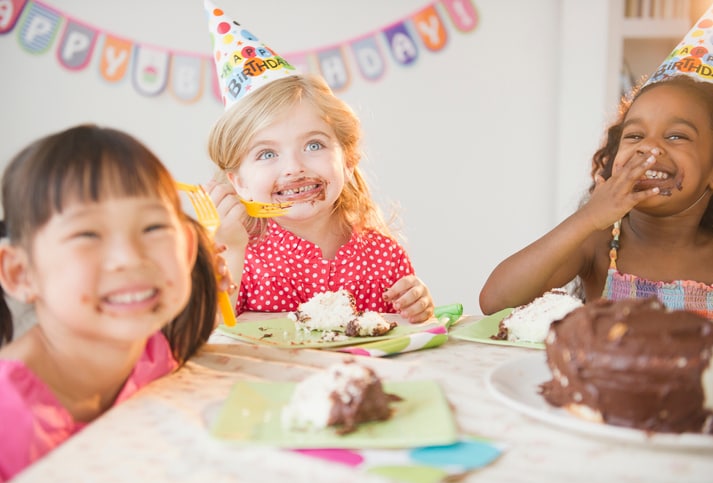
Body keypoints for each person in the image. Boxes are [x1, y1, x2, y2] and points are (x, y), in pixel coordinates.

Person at [0, 124, 227, 483]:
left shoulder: (158, 355)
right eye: (87, 234)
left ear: (184, 248)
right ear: (20, 273)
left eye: (152, 228)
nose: (129, 258)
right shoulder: (8, 414)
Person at [479, 75, 713, 319]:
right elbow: (496, 301)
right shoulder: (598, 244)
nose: (648, 146)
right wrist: (589, 217)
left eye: (676, 136)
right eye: (634, 135)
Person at [206, 73, 434, 323]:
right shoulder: (239, 255)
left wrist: (417, 307)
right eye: (267, 153)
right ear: (239, 183)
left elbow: (407, 338)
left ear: (348, 162)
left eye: (314, 145)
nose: (294, 167)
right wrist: (232, 250)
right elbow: (210, 334)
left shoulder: (385, 255)